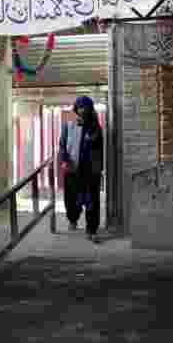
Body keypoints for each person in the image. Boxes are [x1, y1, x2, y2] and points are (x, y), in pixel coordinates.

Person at [58, 96, 104, 241]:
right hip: (73, 168)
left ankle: (91, 229)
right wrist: (65, 158)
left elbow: (96, 142)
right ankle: (73, 218)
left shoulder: (95, 125)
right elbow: (62, 144)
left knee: (92, 200)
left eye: (85, 107)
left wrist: (88, 128)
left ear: (90, 109)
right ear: (75, 109)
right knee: (71, 198)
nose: (82, 110)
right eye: (79, 107)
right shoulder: (68, 124)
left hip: (90, 170)